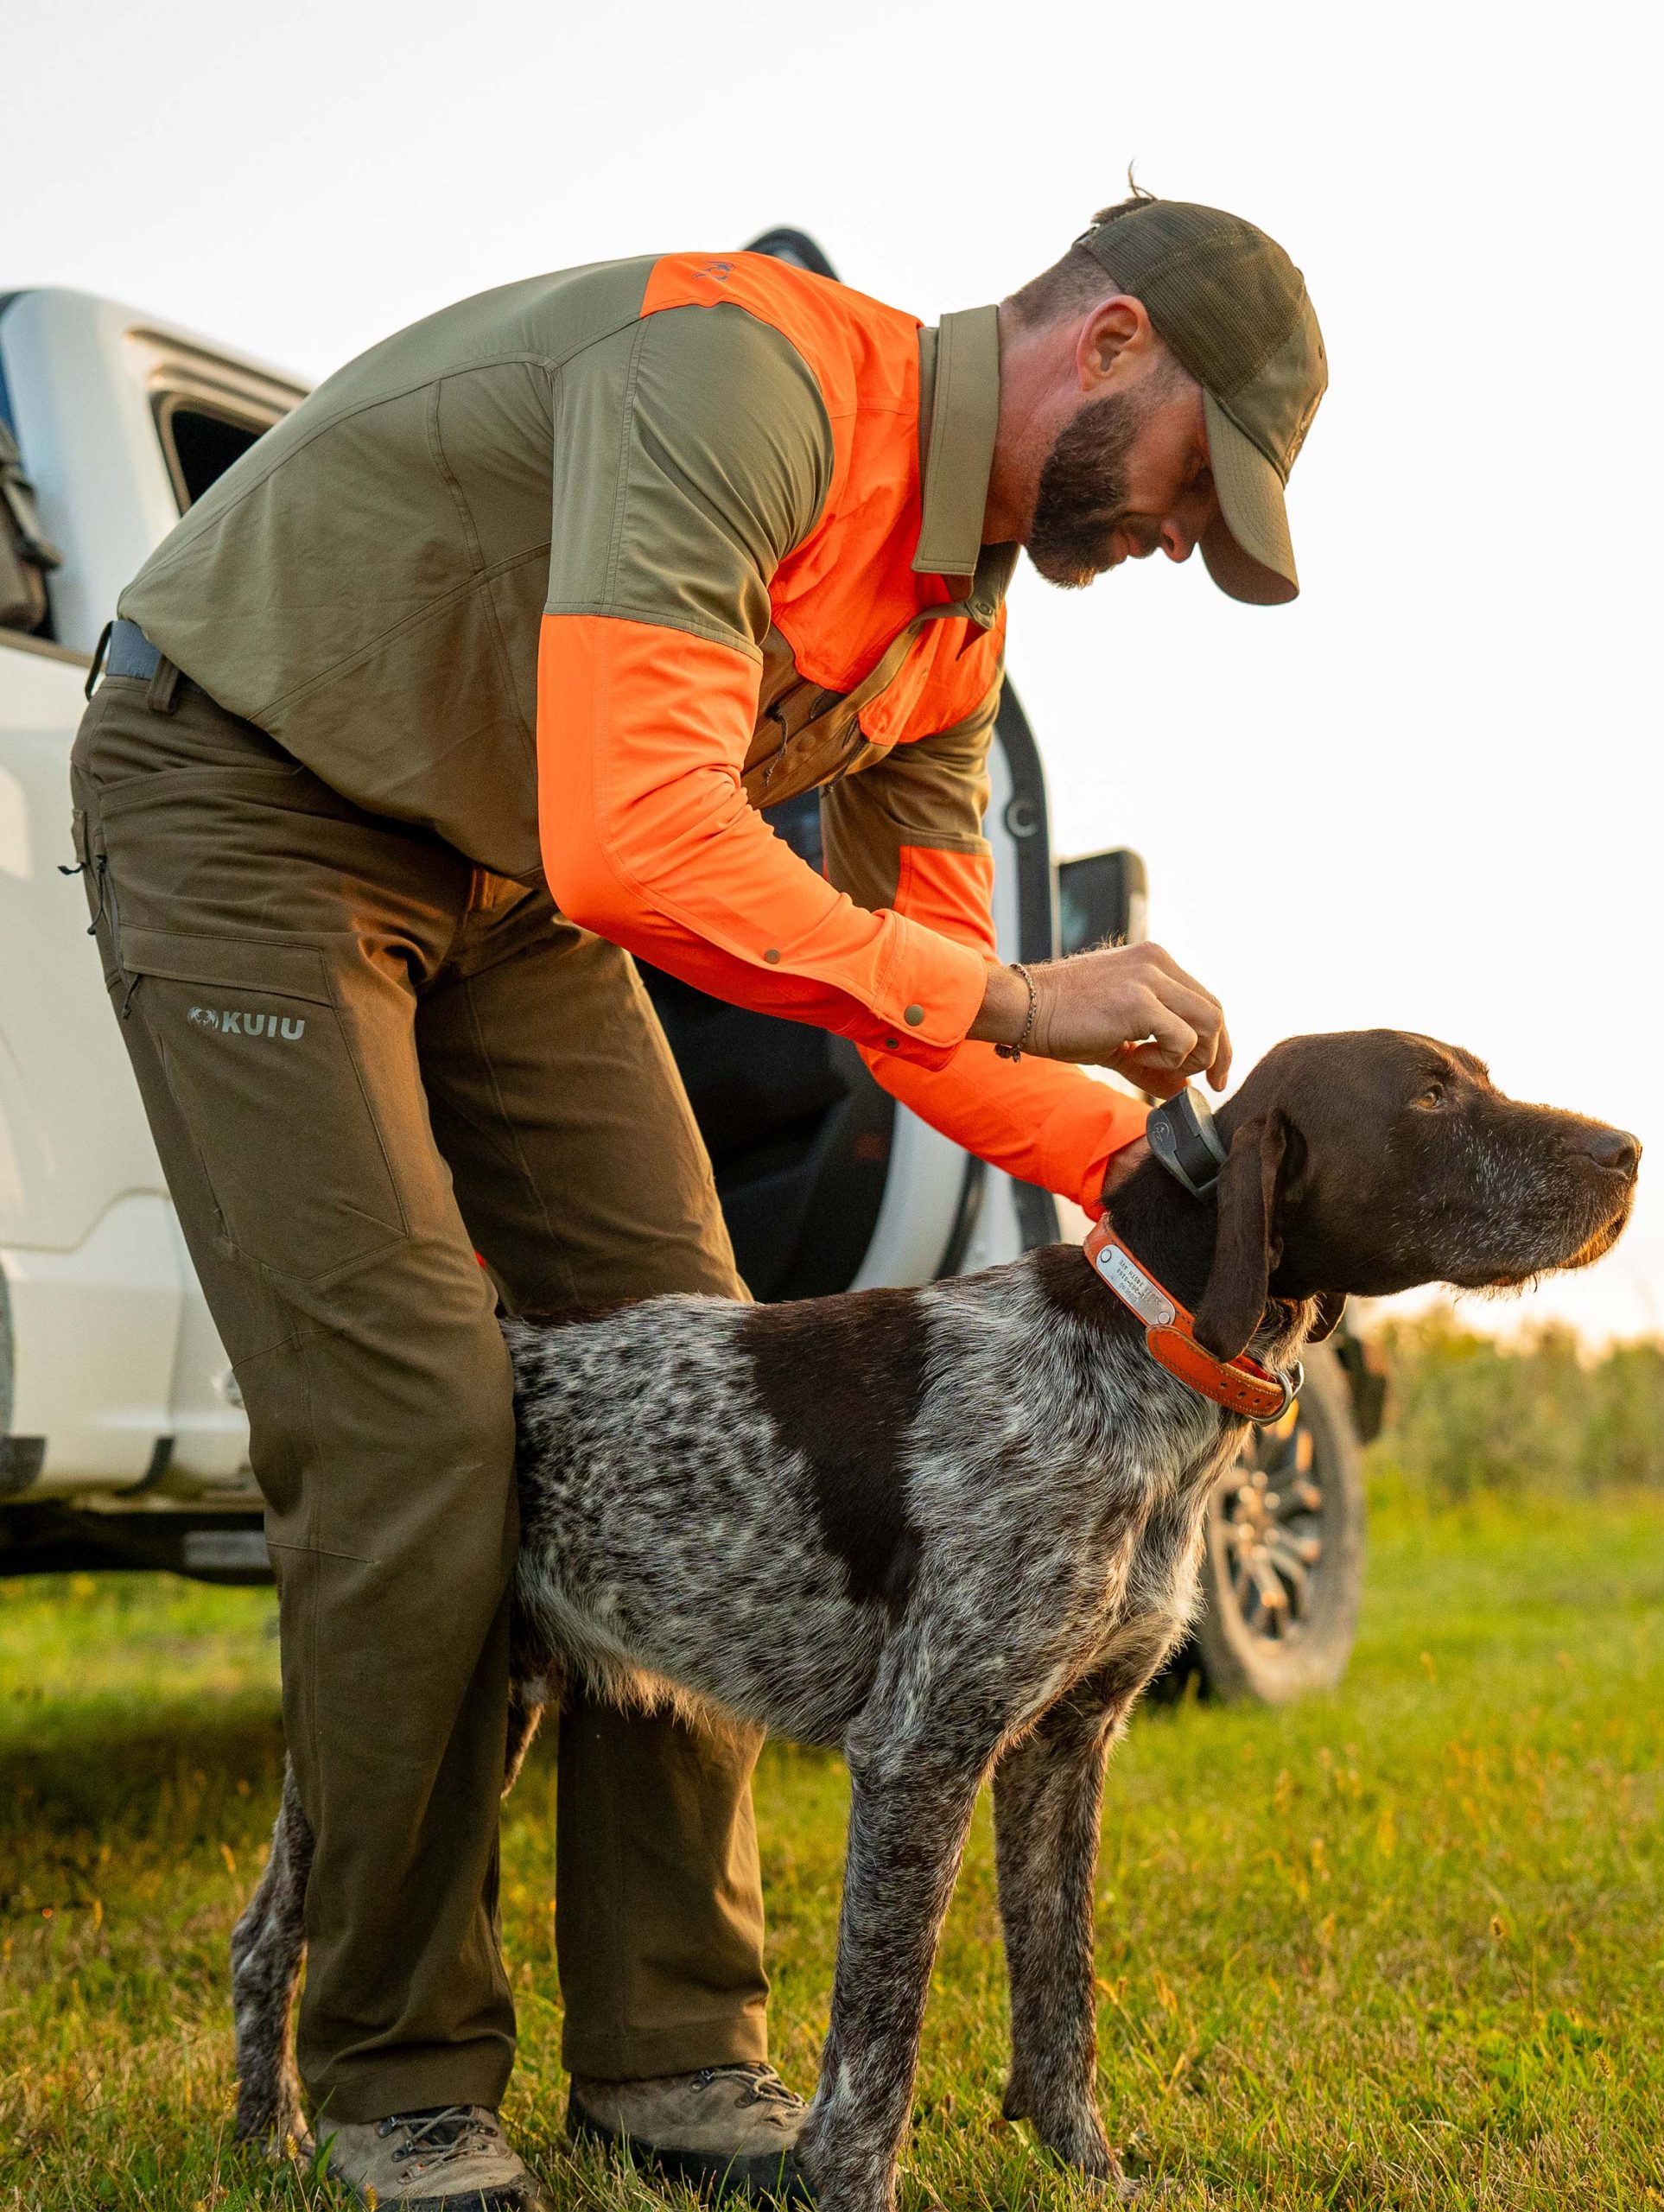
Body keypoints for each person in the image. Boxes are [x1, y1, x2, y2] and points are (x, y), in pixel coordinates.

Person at [72, 188, 1325, 2209]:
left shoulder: (953, 619)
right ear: (1105, 346)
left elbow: (916, 1010)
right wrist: (1031, 990)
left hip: (508, 874)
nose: (1185, 535)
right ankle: (399, 2070)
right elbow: (648, 830)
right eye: (1206, 481)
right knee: (417, 1414)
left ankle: (669, 2056)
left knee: (715, 1383)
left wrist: (1148, 1165)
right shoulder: (745, 380)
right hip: (251, 792)